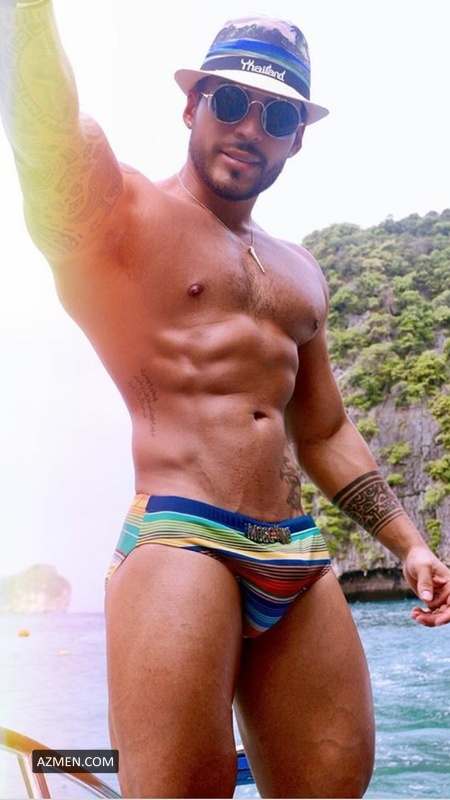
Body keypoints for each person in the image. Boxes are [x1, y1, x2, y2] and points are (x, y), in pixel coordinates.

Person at [1, 2, 449, 797]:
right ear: (192, 104)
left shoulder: (299, 271)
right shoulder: (122, 215)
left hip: (297, 557)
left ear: (296, 138)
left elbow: (324, 429)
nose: (249, 127)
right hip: (183, 539)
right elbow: (46, 132)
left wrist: (409, 544)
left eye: (276, 115)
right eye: (232, 101)